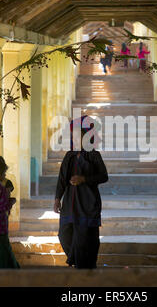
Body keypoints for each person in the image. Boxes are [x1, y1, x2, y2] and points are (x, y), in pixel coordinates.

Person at [53, 115, 108, 269]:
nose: (76, 137)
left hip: (88, 202)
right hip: (70, 203)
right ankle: (79, 261)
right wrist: (58, 199)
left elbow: (104, 176)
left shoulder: (93, 155)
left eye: (80, 134)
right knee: (64, 234)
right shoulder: (69, 156)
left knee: (85, 237)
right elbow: (62, 179)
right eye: (74, 134)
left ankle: (84, 268)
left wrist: (84, 179)